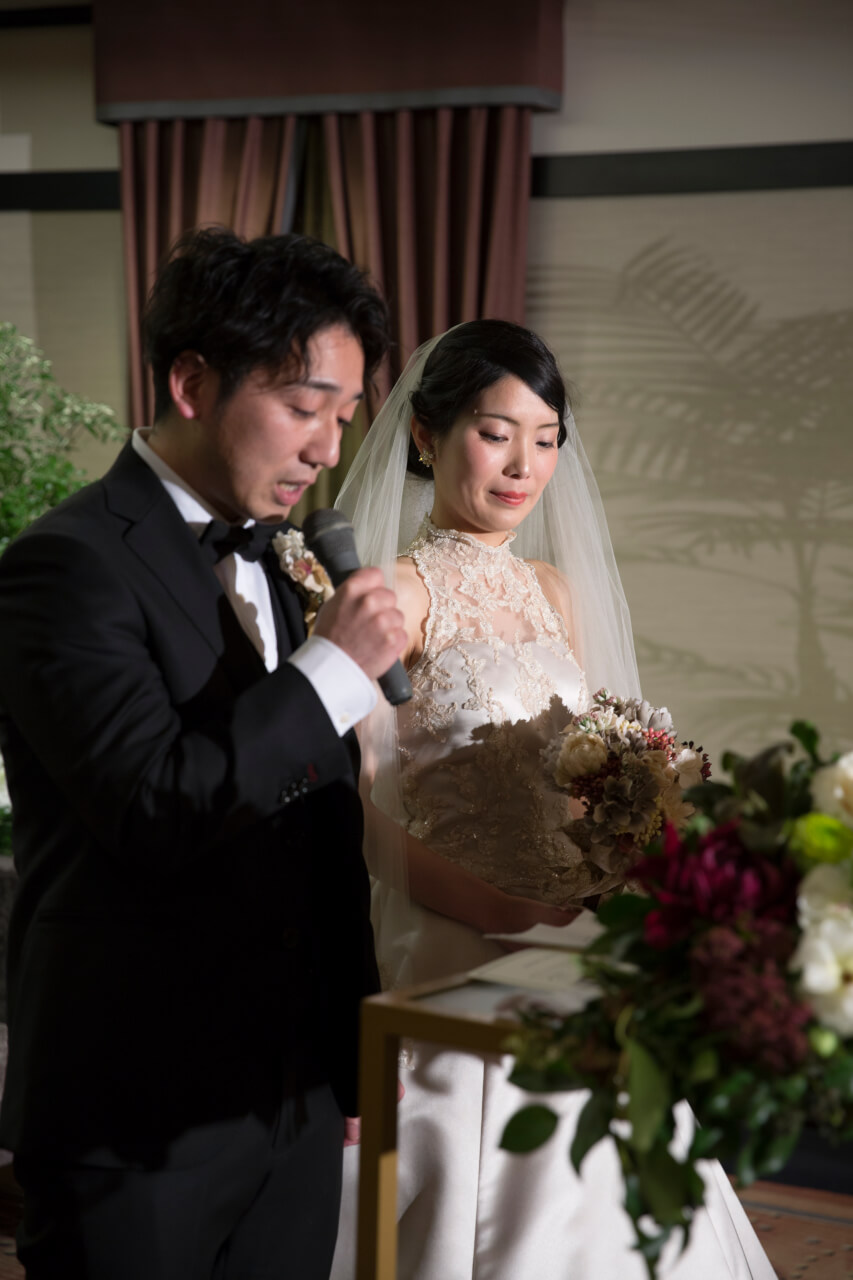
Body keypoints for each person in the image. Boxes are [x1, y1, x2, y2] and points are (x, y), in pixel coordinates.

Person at [0, 227, 407, 1280]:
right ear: (191, 382)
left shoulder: (281, 561)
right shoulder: (63, 566)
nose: (326, 450)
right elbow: (153, 806)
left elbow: (321, 839)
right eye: (305, 408)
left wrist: (350, 1056)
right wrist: (330, 673)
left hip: (293, 1101)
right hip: (135, 1111)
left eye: (343, 418)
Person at [330, 321, 776, 1278]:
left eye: (544, 439)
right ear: (425, 434)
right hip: (449, 941)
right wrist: (492, 907)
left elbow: (599, 773)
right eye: (495, 434)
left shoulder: (551, 592)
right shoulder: (393, 597)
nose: (522, 465)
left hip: (566, 948)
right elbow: (346, 810)